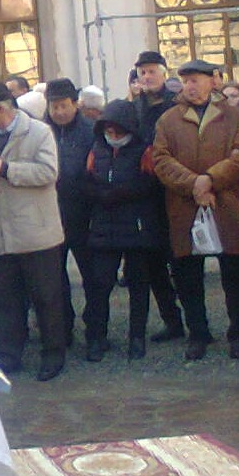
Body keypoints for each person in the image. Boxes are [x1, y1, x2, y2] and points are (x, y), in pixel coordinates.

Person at [151, 59, 239, 360]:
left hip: (226, 201)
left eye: (196, 80)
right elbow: (161, 160)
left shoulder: (233, 116)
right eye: (186, 81)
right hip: (184, 203)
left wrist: (211, 179)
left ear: (213, 81)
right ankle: (197, 333)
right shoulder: (168, 119)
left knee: (234, 272)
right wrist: (193, 184)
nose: (190, 86)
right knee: (187, 274)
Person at [0, 82, 68, 381]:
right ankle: (9, 354)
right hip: (1, 233)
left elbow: (48, 172)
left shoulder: (39, 132)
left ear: (2, 108)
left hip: (36, 232)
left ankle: (53, 354)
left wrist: (5, 169)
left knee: (46, 298)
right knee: (5, 301)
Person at [83, 100, 166, 360]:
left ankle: (137, 337)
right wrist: (100, 194)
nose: (113, 134)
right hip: (104, 228)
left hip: (136, 228)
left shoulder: (144, 150)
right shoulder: (97, 149)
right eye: (108, 129)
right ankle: (97, 337)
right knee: (100, 285)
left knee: (139, 285)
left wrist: (116, 194)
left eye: (117, 130)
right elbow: (87, 181)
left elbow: (151, 184)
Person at [129, 50, 186, 342]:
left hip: (174, 190)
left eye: (152, 71)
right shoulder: (133, 107)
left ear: (164, 73)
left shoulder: (176, 104)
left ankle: (195, 322)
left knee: (181, 262)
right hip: (145, 194)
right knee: (154, 265)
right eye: (143, 72)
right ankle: (171, 321)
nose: (147, 77)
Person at [46, 78, 93, 348]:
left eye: (64, 106)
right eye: (54, 107)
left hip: (84, 215)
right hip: (51, 216)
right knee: (55, 279)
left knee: (92, 277)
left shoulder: (90, 131)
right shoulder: (41, 132)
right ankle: (62, 329)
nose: (59, 112)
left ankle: (94, 330)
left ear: (75, 104)